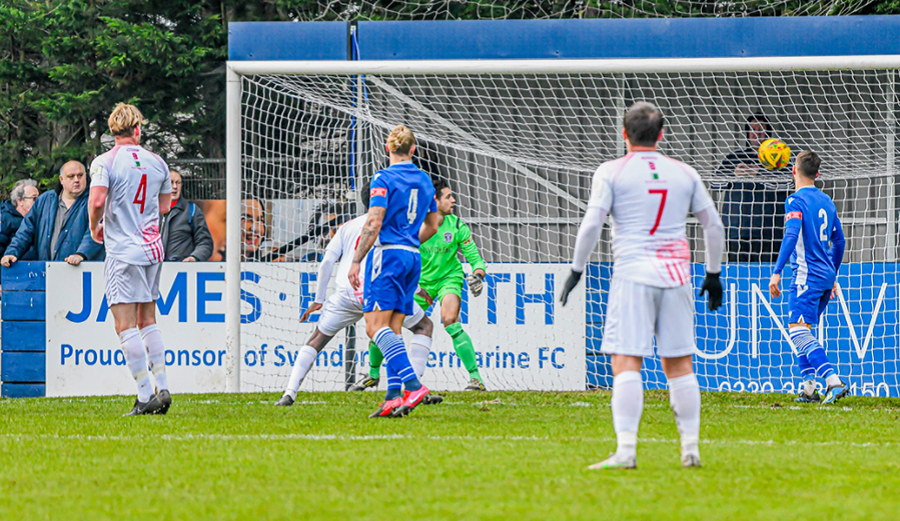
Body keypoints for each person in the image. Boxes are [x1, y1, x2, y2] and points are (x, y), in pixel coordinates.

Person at [559, 101, 725, 470]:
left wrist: (577, 268)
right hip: (676, 275)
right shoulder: (684, 172)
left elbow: (592, 223)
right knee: (680, 364)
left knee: (626, 362)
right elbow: (713, 224)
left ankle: (628, 450)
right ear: (661, 134)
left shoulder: (612, 171)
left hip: (633, 275)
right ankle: (691, 448)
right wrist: (712, 274)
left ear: (624, 134)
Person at [275, 182, 438, 406]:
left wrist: (318, 300)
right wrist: (416, 288)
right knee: (422, 327)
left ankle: (289, 393)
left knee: (316, 339)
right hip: (378, 291)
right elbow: (395, 262)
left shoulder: (346, 226)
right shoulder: (389, 225)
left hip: (346, 294)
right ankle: (414, 389)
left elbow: (327, 263)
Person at [356, 177, 489, 391]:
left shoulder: (456, 225)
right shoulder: (415, 225)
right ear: (434, 201)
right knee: (387, 324)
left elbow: (473, 255)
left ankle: (476, 379)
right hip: (418, 283)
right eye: (448, 197)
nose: (453, 200)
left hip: (448, 278)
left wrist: (479, 274)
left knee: (450, 320)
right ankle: (372, 374)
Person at [347, 125, 440, 418]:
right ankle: (393, 396)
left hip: (387, 255)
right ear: (414, 150)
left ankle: (413, 385)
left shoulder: (383, 178)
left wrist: (356, 260)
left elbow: (374, 222)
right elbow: (433, 225)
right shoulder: (426, 181)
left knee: (375, 328)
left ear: (388, 149)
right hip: (413, 256)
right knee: (394, 328)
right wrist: (410, 242)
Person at [88, 103, 173, 416]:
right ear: (137, 129)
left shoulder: (105, 161)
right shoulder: (158, 162)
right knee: (147, 319)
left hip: (123, 250)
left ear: (112, 132)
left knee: (124, 325)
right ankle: (162, 385)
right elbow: (164, 206)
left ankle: (144, 396)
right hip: (153, 249)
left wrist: (94, 224)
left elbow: (97, 199)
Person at [768, 151, 848, 405]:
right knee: (806, 330)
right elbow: (840, 241)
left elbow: (791, 236)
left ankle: (833, 382)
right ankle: (809, 389)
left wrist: (777, 271)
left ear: (794, 170)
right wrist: (833, 274)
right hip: (825, 276)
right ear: (818, 174)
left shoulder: (795, 201)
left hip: (806, 275)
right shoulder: (827, 201)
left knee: (797, 331)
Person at [716, 113, 792, 262]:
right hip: (737, 230)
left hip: (769, 231)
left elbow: (789, 184)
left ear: (768, 132)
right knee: (740, 275)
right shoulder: (734, 158)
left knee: (767, 274)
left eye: (760, 129)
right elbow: (714, 184)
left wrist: (760, 173)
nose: (756, 133)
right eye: (753, 129)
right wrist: (733, 175)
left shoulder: (780, 159)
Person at [1, 161, 104, 267]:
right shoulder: (44, 200)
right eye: (71, 176)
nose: (77, 180)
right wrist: (12, 252)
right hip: (46, 272)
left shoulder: (95, 202)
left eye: (80, 175)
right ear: (61, 180)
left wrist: (81, 254)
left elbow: (96, 233)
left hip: (81, 273)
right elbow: (25, 231)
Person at [161, 170, 213, 261]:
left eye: (178, 183)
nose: (175, 187)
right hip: (153, 270)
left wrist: (194, 257)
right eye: (171, 182)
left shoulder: (192, 210)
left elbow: (205, 242)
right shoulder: (151, 211)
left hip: (181, 271)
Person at [0, 179, 40, 258]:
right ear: (20, 201)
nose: (39, 202)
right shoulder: (4, 219)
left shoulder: (40, 218)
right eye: (34, 198)